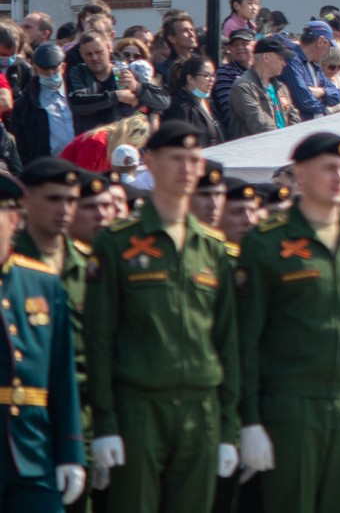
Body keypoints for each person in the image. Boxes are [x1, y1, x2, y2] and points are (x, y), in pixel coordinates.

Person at [85, 120, 241, 513]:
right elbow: (99, 338)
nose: (188, 170)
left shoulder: (212, 248)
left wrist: (229, 425)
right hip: (138, 407)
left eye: (194, 160)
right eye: (176, 159)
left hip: (201, 409)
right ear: (149, 162)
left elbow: (227, 340)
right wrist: (104, 423)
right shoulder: (118, 241)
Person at [235, 132, 340, 510]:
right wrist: (249, 419)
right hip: (290, 403)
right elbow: (246, 337)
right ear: (299, 174)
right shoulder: (266, 241)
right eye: (328, 169)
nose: (339, 178)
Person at [0, 169, 86, 511]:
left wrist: (71, 450)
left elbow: (62, 376)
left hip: (33, 450)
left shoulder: (42, 283)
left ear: (15, 220)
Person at [66, 32, 169, 133]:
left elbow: (164, 102)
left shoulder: (125, 72)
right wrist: (116, 96)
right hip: (91, 142)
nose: (94, 58)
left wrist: (137, 87)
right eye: (89, 54)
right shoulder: (78, 73)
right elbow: (77, 104)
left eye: (98, 52)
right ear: (81, 55)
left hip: (123, 142)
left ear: (108, 48)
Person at [227, 37, 300, 139]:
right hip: (254, 151)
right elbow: (260, 124)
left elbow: (293, 117)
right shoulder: (243, 87)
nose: (284, 64)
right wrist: (283, 140)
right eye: (280, 58)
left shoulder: (280, 87)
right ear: (266, 57)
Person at [13, 41, 73, 162]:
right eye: (45, 70)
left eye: (55, 69)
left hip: (82, 164)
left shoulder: (77, 92)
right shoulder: (25, 105)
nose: (51, 75)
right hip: (48, 168)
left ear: (63, 67)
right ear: (36, 70)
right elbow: (21, 145)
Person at [166, 54, 225, 148]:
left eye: (213, 75)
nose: (211, 80)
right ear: (190, 79)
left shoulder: (210, 103)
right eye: (206, 75)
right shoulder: (179, 106)